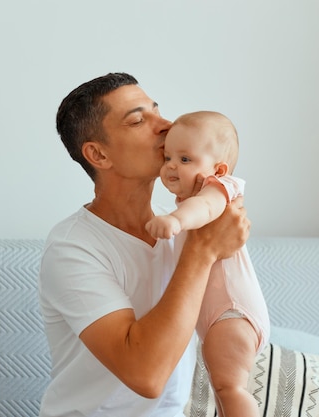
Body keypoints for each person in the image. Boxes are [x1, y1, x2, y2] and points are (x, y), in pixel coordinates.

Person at [38, 73, 251, 417]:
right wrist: (203, 249)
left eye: (157, 111)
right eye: (139, 120)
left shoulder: (182, 222)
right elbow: (146, 376)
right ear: (98, 154)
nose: (165, 125)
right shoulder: (72, 248)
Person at [145, 111, 270, 417]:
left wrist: (175, 220)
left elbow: (204, 207)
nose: (172, 166)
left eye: (185, 159)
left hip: (232, 309)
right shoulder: (189, 200)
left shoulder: (220, 188)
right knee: (223, 390)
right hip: (219, 316)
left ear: (219, 168)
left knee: (231, 387)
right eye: (168, 157)